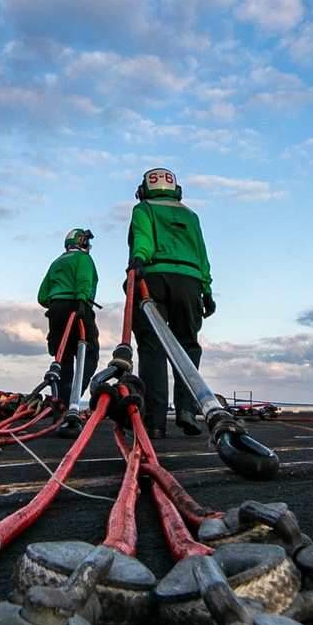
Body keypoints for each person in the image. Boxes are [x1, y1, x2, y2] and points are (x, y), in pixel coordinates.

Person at [126, 167, 215, 437]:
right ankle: (188, 410)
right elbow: (202, 254)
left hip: (152, 277)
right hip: (190, 281)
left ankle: (154, 423)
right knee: (187, 345)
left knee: (152, 348)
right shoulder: (191, 215)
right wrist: (207, 290)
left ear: (143, 190)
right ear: (177, 190)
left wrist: (138, 261)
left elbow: (143, 239)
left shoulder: (143, 209)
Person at [37, 228, 100, 403]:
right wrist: (80, 299)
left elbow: (42, 296)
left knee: (63, 357)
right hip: (77, 307)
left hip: (56, 311)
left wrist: (56, 304)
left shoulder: (56, 263)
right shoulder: (83, 258)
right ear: (82, 242)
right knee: (90, 353)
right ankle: (73, 396)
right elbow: (84, 280)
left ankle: (61, 403)